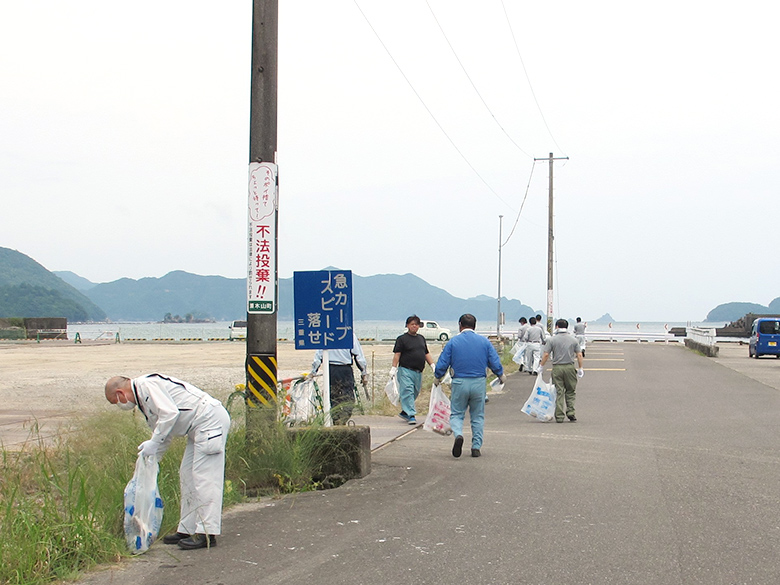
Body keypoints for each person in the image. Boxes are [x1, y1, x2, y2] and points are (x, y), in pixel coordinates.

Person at [105, 374, 231, 550]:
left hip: (209, 422)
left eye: (115, 401)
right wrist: (151, 460)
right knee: (186, 475)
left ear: (120, 393)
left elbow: (170, 414)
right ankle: (186, 528)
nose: (119, 405)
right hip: (198, 427)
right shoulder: (143, 398)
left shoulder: (147, 386)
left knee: (205, 478)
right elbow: (165, 431)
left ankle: (207, 533)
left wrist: (154, 443)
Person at [434, 314, 506, 458]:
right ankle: (476, 447)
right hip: (479, 381)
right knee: (477, 416)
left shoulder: (453, 342)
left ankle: (459, 435)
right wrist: (500, 375)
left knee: (457, 413)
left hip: (459, 382)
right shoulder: (484, 342)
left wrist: (438, 377)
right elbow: (494, 361)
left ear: (460, 325)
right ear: (475, 325)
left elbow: (442, 363)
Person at [310, 331, 368, 425]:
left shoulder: (326, 334)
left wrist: (313, 371)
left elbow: (318, 356)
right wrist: (363, 372)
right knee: (348, 396)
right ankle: (343, 418)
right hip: (345, 369)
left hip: (330, 369)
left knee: (332, 396)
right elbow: (358, 356)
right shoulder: (349, 335)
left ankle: (336, 418)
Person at [392, 315, 436, 425]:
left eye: (416, 324)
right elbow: (397, 354)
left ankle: (405, 412)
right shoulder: (401, 339)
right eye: (412, 324)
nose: (414, 326)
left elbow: (426, 353)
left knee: (415, 392)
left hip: (418, 371)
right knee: (408, 391)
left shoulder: (421, 338)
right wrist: (393, 367)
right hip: (405, 370)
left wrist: (433, 365)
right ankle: (411, 414)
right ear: (407, 325)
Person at [539, 319, 584, 423]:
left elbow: (546, 354)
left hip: (557, 367)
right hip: (569, 366)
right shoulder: (573, 340)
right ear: (567, 327)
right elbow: (579, 354)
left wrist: (541, 366)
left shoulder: (552, 340)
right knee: (571, 391)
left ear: (556, 326)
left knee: (559, 392)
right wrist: (580, 368)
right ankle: (571, 412)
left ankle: (559, 416)